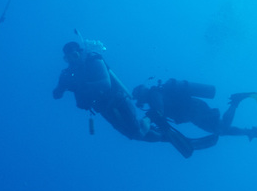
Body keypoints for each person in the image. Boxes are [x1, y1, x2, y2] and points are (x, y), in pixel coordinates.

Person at [52, 42, 193, 157]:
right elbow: (57, 94)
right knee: (132, 135)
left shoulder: (94, 61)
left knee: (138, 132)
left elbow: (106, 84)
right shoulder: (68, 74)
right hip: (103, 108)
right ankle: (165, 137)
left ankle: (151, 117)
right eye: (68, 58)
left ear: (80, 53)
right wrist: (61, 87)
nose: (72, 61)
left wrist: (82, 85)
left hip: (118, 100)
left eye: (74, 56)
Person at [132, 78, 257, 150]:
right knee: (221, 129)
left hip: (194, 110)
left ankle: (236, 101)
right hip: (193, 113)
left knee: (221, 129)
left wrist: (149, 119)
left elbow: (159, 109)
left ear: (142, 92)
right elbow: (160, 112)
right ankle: (250, 132)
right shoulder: (154, 96)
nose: (140, 101)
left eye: (139, 97)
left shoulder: (154, 94)